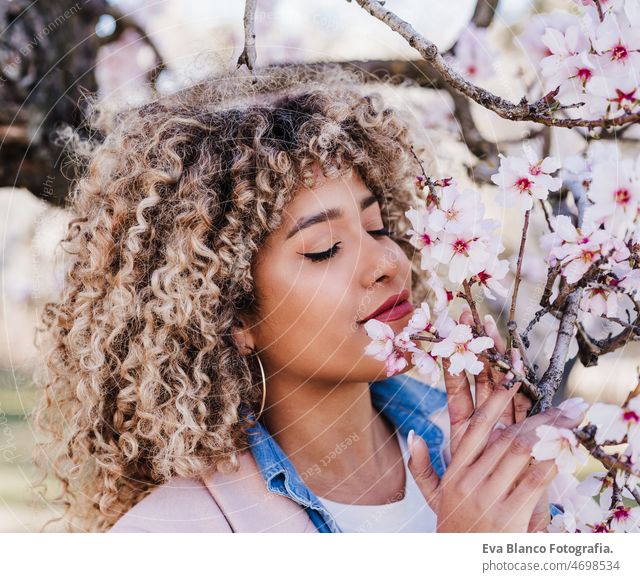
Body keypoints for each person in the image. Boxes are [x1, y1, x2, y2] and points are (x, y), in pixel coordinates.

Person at [31, 65, 586, 533]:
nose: (387, 262)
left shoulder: (490, 450)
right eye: (323, 249)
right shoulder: (169, 537)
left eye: (377, 225)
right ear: (229, 312)